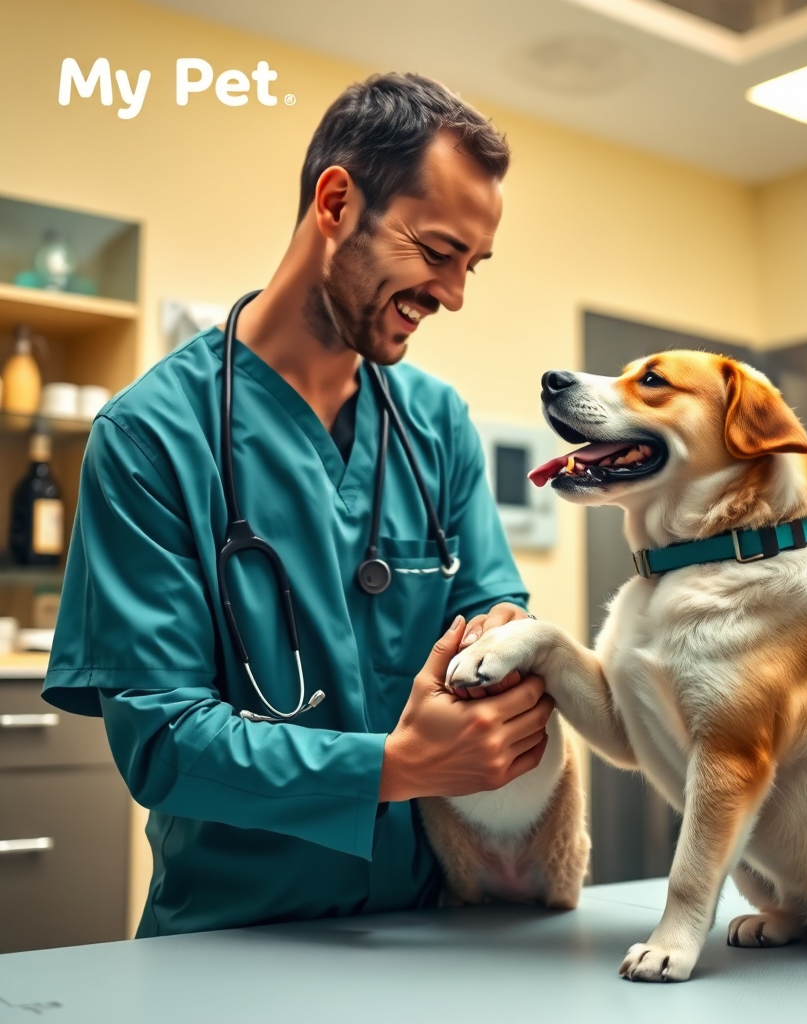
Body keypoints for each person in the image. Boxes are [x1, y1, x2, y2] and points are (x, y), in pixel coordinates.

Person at [42, 72, 555, 936]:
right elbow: (163, 743)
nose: (456, 294)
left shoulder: (437, 425)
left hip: (434, 932)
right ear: (335, 202)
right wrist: (392, 767)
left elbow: (496, 625)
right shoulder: (151, 438)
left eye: (473, 264)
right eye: (436, 251)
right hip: (229, 941)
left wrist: (505, 658)